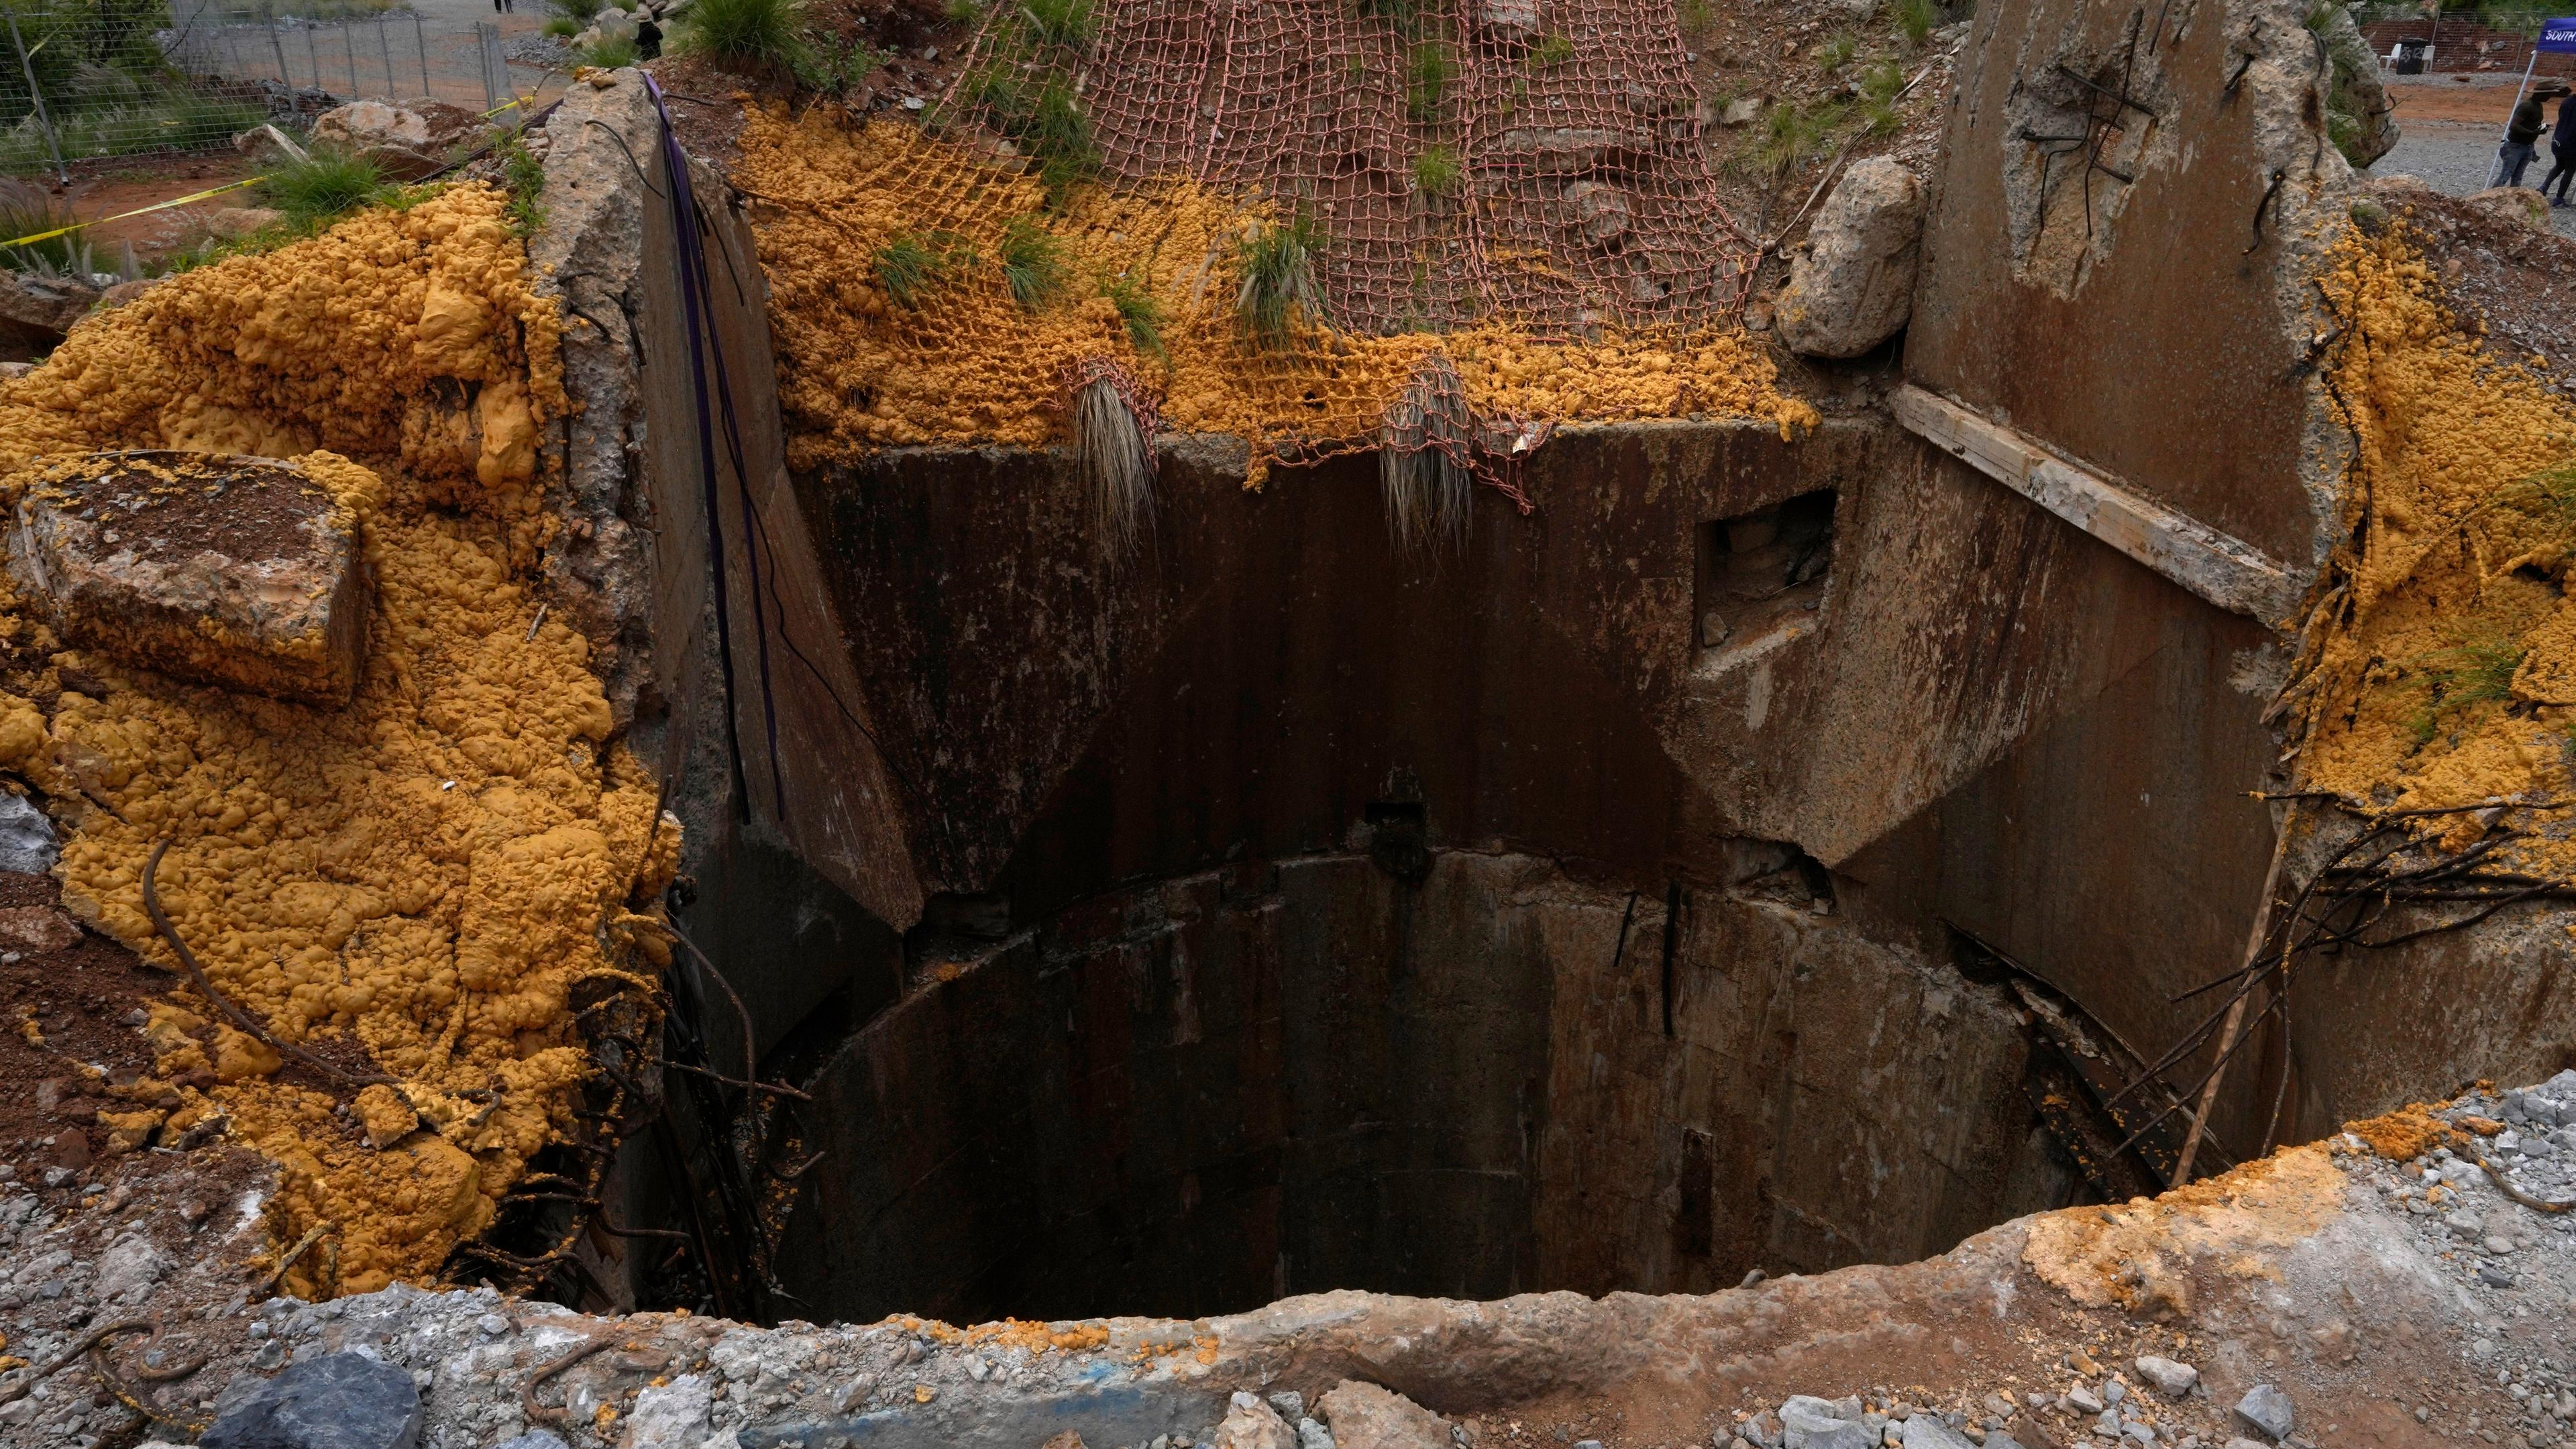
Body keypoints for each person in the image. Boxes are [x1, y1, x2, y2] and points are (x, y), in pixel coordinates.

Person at [2493, 84, 2567, 189]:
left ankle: (2513, 198)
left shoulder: (2538, 106)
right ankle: (2493, 197)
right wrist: (2531, 132)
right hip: (2515, 146)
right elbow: (2513, 125)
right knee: (2505, 175)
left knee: (2518, 177)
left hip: (2527, 146)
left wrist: (2540, 129)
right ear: (2542, 94)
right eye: (2549, 94)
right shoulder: (2527, 106)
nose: (2550, 96)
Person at [2547, 87, 2576, 207]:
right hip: (2572, 143)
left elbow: (2561, 116)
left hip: (2558, 139)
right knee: (2570, 169)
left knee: (2559, 165)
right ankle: (2559, 197)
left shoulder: (2566, 101)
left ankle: (2544, 186)